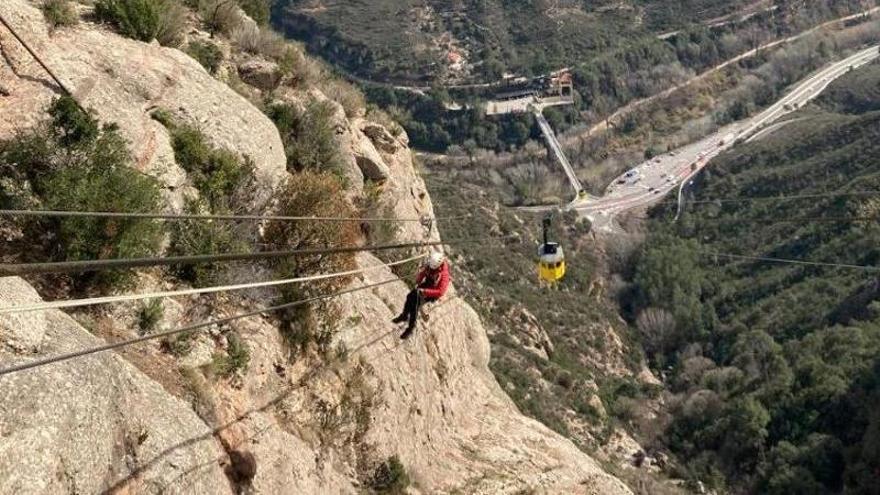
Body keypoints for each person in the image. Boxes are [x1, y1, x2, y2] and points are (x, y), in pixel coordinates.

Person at [393, 251, 450, 339]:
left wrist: (425, 291)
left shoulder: (444, 275)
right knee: (410, 296)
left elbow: (440, 291)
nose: (432, 269)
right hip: (427, 285)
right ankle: (404, 315)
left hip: (433, 293)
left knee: (415, 305)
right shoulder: (432, 264)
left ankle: (410, 328)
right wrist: (418, 281)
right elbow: (424, 273)